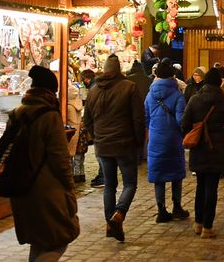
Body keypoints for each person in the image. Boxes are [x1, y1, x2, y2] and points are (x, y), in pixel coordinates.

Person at [8, 66, 79, 262]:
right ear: (49, 91)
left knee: (40, 241)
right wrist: (69, 187)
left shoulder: (17, 113)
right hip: (46, 190)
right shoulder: (49, 116)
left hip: (21, 186)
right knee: (59, 239)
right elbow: (60, 158)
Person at [83, 54, 144, 242]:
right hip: (124, 144)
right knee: (130, 183)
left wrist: (97, 136)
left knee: (109, 185)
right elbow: (138, 118)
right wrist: (139, 141)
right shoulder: (129, 87)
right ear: (118, 70)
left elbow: (87, 120)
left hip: (103, 146)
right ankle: (118, 215)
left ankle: (110, 226)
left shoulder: (93, 90)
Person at [181, 68, 224, 238]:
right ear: (219, 82)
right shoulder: (222, 101)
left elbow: (184, 124)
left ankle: (198, 223)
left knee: (200, 186)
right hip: (217, 149)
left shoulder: (195, 99)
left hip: (199, 149)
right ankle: (208, 227)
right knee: (212, 188)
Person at [144, 59, 189, 222]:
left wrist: (152, 131)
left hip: (156, 139)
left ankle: (161, 210)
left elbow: (146, 118)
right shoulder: (177, 94)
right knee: (176, 174)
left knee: (159, 175)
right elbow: (180, 120)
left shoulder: (149, 95)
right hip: (173, 139)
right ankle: (177, 207)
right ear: (172, 77)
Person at [65, 69, 85, 183]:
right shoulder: (78, 104)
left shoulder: (68, 106)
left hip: (70, 134)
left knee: (69, 157)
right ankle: (79, 175)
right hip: (77, 133)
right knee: (78, 157)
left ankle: (71, 176)